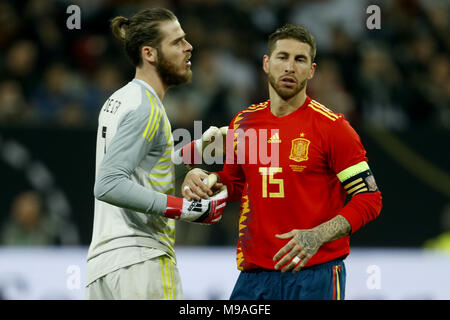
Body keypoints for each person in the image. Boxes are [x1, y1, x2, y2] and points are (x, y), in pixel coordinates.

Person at [182, 24, 383, 300]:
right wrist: (209, 180)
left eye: (300, 59)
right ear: (266, 63)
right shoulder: (244, 122)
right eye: (282, 57)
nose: (290, 67)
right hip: (254, 276)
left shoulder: (333, 128)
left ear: (311, 70)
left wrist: (317, 236)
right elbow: (238, 184)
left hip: (315, 274)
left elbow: (369, 199)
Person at [86, 8, 228, 300]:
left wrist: (200, 148)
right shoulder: (147, 108)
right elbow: (109, 183)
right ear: (149, 53)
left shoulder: (122, 99)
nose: (189, 48)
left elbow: (144, 167)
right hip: (143, 262)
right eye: (177, 42)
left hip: (105, 267)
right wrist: (187, 209)